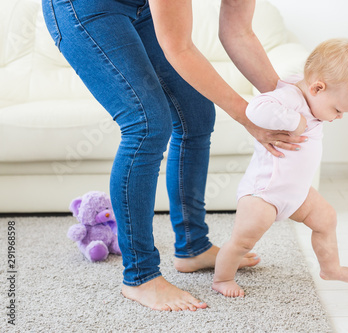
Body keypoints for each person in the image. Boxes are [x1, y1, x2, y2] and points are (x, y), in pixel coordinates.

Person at [41, 0, 306, 312]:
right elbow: (178, 48)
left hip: (141, 7)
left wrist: (289, 102)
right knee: (147, 123)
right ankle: (140, 275)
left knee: (196, 113)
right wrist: (248, 117)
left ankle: (192, 246)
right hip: (85, 7)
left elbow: (239, 32)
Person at [212, 38, 348, 297]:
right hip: (264, 193)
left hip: (297, 193)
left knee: (326, 218)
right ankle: (222, 279)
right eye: (338, 110)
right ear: (317, 88)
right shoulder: (291, 98)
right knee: (243, 240)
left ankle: (330, 268)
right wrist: (292, 119)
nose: (339, 117)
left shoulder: (312, 96)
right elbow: (256, 108)